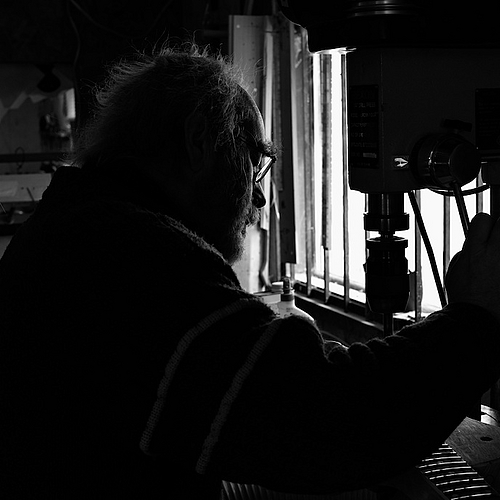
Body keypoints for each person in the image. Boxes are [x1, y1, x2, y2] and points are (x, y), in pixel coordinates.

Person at [1, 44, 500, 499]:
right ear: (200, 140)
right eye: (254, 162)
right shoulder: (129, 257)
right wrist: (477, 315)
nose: (258, 197)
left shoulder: (83, 224)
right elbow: (332, 424)